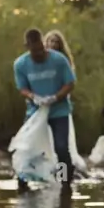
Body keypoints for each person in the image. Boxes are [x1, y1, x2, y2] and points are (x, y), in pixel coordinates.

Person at [14, 28, 76, 186]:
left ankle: (65, 184)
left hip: (59, 110)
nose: (39, 53)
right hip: (35, 112)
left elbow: (70, 83)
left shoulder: (59, 60)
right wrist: (33, 97)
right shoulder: (20, 64)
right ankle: (23, 183)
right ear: (28, 47)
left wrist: (55, 97)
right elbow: (22, 88)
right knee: (26, 148)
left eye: (41, 49)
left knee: (61, 148)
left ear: (43, 44)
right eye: (35, 51)